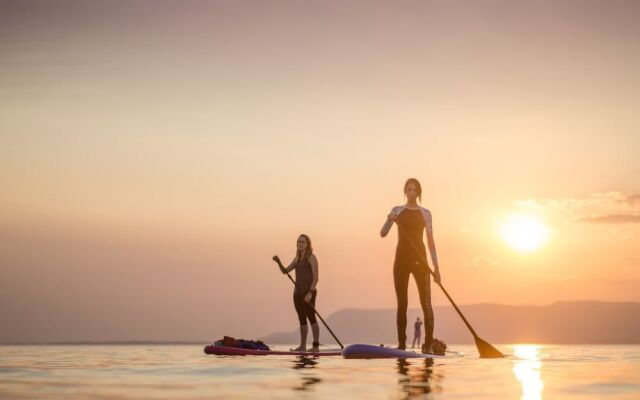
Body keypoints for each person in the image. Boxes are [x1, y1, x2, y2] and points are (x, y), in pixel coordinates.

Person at [380, 178, 441, 354]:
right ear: (405, 192)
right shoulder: (397, 211)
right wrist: (389, 220)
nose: (412, 192)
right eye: (409, 189)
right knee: (402, 304)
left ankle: (428, 345)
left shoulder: (425, 213)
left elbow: (430, 242)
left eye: (415, 190)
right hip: (401, 262)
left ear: (419, 193)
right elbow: (383, 233)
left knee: (426, 303)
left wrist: (436, 268)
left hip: (421, 261)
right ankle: (401, 345)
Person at [272, 234, 320, 352]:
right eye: (299, 242)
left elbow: (316, 278)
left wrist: (310, 293)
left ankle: (315, 346)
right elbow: (285, 271)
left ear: (308, 244)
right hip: (297, 293)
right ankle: (302, 346)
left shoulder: (311, 257)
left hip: (308, 292)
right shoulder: (297, 258)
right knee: (302, 319)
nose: (300, 244)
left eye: (303, 242)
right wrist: (278, 262)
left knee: (312, 317)